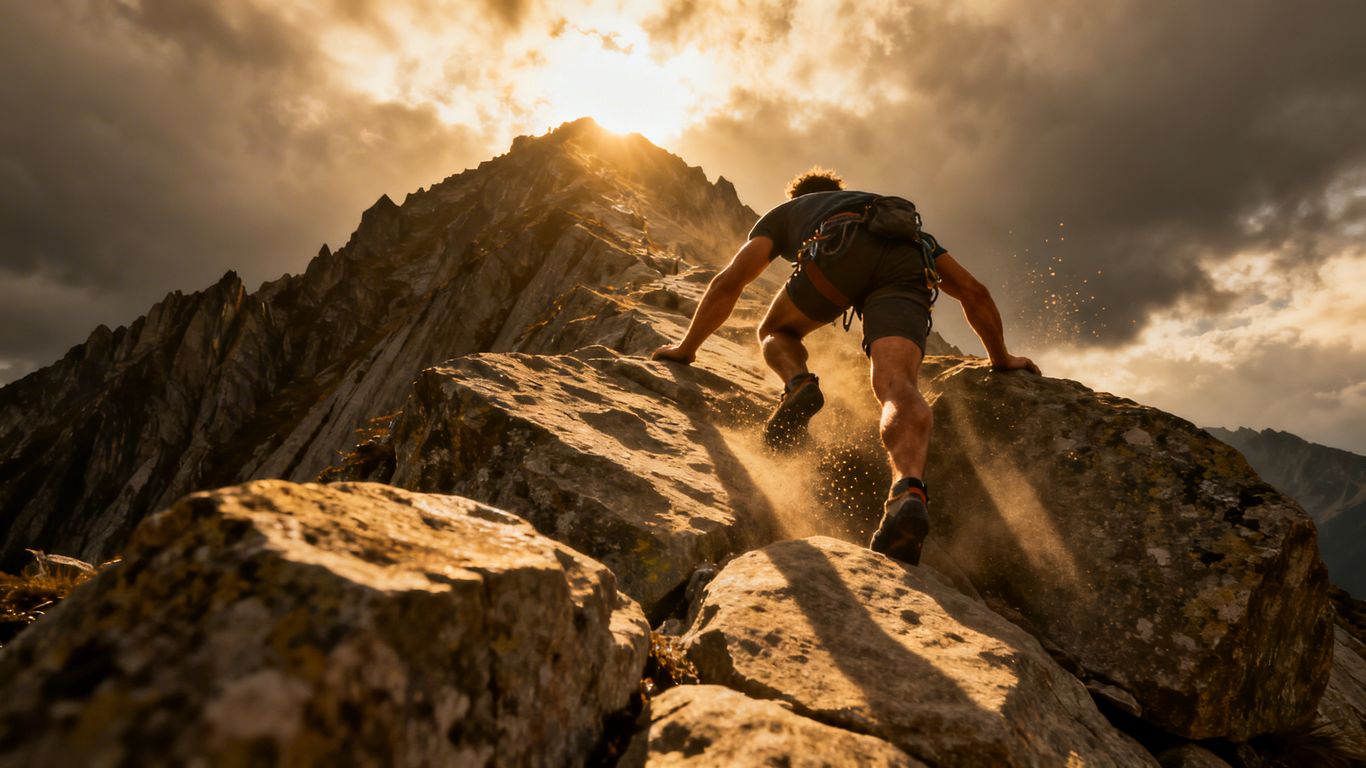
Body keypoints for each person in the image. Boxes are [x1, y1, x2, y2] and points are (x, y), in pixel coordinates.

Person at [651, 167, 1040, 566]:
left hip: (838, 254)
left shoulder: (792, 211)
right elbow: (974, 292)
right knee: (897, 385)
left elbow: (731, 280)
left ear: (797, 196)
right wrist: (1000, 357)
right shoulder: (892, 217)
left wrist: (687, 347)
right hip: (905, 270)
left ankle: (798, 382)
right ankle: (908, 491)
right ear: (840, 190)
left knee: (775, 330)